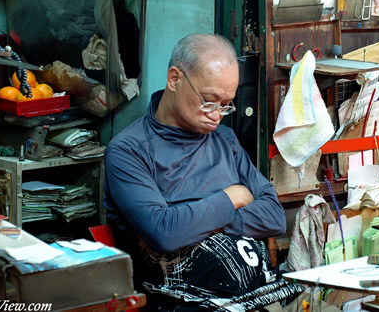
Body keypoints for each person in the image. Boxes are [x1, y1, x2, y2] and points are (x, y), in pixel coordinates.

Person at [103, 33, 298, 310]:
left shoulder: (225, 141)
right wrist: (234, 196)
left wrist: (195, 222)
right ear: (174, 79)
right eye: (209, 100)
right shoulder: (129, 152)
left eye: (225, 104)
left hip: (257, 293)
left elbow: (274, 216)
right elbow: (165, 233)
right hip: (184, 302)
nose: (217, 114)